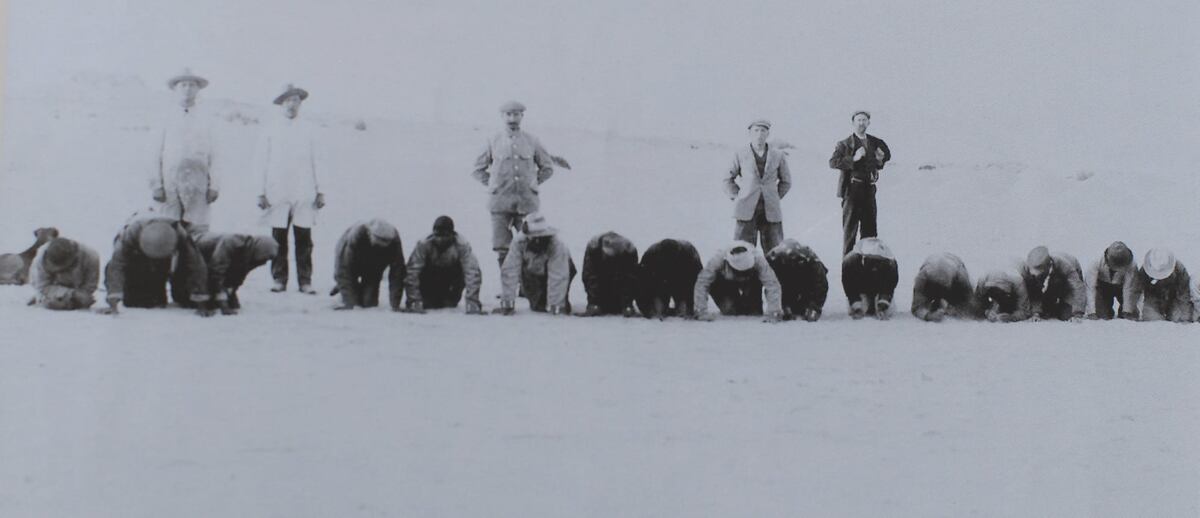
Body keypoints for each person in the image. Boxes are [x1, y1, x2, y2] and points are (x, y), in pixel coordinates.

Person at [255, 84, 325, 294]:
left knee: (304, 238)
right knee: (278, 237)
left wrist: (321, 190)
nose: (292, 104)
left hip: (304, 191)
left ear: (300, 104)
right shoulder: (270, 130)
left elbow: (319, 161)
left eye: (295, 100)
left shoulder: (310, 129)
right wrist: (260, 191)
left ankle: (305, 281)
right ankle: (279, 279)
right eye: (288, 100)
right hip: (278, 191)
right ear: (281, 103)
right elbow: (261, 163)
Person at [472, 101, 555, 269]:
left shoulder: (532, 140)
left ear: (522, 116)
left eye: (516, 114)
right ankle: (506, 288)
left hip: (527, 203)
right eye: (508, 114)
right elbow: (477, 170)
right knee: (502, 246)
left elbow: (547, 168)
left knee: (530, 243)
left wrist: (533, 183)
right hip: (499, 203)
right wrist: (493, 185)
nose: (512, 118)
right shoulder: (492, 140)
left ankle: (525, 287)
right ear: (502, 117)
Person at [100, 217, 210, 316]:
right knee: (135, 302)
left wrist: (201, 300)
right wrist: (113, 302)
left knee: (161, 300)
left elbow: (196, 264)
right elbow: (116, 266)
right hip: (136, 258)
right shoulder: (129, 235)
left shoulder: (179, 233)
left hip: (164, 256)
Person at [152, 69, 218, 233]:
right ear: (176, 89)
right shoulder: (164, 117)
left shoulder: (207, 118)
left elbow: (216, 155)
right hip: (170, 184)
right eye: (183, 85)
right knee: (168, 231)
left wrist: (214, 186)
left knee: (197, 231)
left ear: (198, 89)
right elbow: (153, 153)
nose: (187, 89)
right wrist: (156, 185)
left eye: (192, 85)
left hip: (198, 184)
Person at [829, 111, 891, 255]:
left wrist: (880, 159)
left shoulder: (876, 142)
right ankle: (847, 269)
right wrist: (854, 158)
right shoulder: (844, 144)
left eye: (864, 120)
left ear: (868, 123)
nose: (862, 123)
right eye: (859, 120)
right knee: (850, 231)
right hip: (851, 191)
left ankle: (868, 266)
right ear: (853, 123)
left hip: (869, 190)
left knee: (870, 232)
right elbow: (833, 162)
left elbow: (886, 155)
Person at [725, 119, 791, 253]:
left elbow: (786, 182)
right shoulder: (740, 154)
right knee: (741, 253)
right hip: (745, 211)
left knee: (776, 253)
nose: (759, 134)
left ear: (768, 134)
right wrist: (738, 197)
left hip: (771, 212)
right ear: (750, 133)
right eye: (756, 131)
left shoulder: (778, 155)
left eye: (763, 131)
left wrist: (774, 197)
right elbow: (727, 180)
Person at [171, 233, 278, 315]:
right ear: (258, 250)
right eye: (264, 258)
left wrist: (230, 296)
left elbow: (237, 275)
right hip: (190, 261)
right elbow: (216, 270)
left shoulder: (248, 252)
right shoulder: (231, 242)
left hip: (206, 266)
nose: (264, 263)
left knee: (223, 303)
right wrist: (223, 303)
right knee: (199, 300)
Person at [494, 212, 576, 315]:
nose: (537, 240)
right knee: (538, 307)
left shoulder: (557, 245)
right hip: (533, 272)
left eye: (541, 236)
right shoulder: (519, 242)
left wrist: (556, 306)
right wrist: (507, 303)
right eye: (534, 236)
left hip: (560, 270)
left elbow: (558, 275)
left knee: (558, 306)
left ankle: (559, 302)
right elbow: (510, 271)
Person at [403, 215, 484, 314]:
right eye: (437, 235)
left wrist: (472, 301)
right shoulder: (423, 244)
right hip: (429, 278)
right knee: (428, 304)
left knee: (448, 304)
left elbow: (472, 272)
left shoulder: (462, 246)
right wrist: (414, 300)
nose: (440, 239)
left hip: (451, 279)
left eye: (444, 236)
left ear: (452, 234)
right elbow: (412, 272)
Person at [691, 241, 784, 322]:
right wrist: (700, 311)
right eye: (739, 272)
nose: (742, 275)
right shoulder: (717, 260)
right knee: (730, 310)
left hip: (751, 282)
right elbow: (703, 283)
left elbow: (771, 283)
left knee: (754, 312)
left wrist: (774, 311)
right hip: (724, 283)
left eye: (746, 271)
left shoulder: (758, 259)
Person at [331, 219, 406, 310]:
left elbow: (397, 272)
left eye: (386, 242)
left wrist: (395, 304)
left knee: (369, 303)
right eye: (380, 240)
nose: (383, 244)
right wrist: (350, 302)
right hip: (353, 260)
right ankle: (342, 288)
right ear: (370, 234)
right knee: (353, 304)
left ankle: (352, 291)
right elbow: (343, 271)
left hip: (375, 267)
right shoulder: (355, 236)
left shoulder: (394, 240)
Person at [635, 238, 703, 319]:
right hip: (660, 281)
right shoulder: (651, 254)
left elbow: (698, 282)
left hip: (682, 280)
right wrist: (647, 310)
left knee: (683, 312)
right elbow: (642, 284)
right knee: (658, 311)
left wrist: (692, 306)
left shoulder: (689, 253)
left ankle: (681, 305)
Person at [765, 239, 828, 322]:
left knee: (805, 310)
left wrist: (815, 308)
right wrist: (776, 307)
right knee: (788, 311)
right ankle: (787, 304)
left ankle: (804, 304)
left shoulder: (811, 259)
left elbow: (821, 285)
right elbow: (770, 285)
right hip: (784, 280)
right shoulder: (771, 259)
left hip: (805, 279)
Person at [29, 237, 100, 310]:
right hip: (52, 286)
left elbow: (90, 286)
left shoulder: (91, 257)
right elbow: (42, 286)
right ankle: (41, 298)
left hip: (78, 287)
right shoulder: (41, 258)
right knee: (51, 303)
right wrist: (71, 293)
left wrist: (83, 297)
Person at [1019, 246, 1087, 321]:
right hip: (1054, 280)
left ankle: (1063, 304)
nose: (1036, 275)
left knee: (1066, 316)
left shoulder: (1065, 265)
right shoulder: (1036, 270)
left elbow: (1077, 288)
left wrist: (1077, 314)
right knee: (1046, 311)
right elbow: (1035, 292)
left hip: (1070, 280)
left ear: (1047, 267)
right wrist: (1036, 313)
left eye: (1040, 273)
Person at [581, 231, 639, 317]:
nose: (608, 257)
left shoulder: (629, 251)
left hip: (619, 279)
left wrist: (627, 305)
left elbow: (630, 278)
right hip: (601, 279)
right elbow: (589, 276)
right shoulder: (593, 248)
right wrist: (593, 303)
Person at [841, 237, 898, 320]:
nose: (875, 265)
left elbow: (889, 287)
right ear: (863, 258)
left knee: (888, 312)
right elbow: (850, 289)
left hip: (879, 288)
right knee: (857, 310)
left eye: (878, 261)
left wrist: (882, 306)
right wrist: (857, 306)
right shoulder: (849, 263)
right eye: (872, 260)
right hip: (860, 289)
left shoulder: (890, 264)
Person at [1136, 248, 1197, 322]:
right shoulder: (1144, 270)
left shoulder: (1179, 269)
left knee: (1179, 320)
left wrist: (1186, 318)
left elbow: (1184, 296)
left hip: (1174, 298)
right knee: (1152, 321)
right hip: (1152, 299)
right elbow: (1137, 292)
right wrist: (1135, 311)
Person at [911, 252, 975, 322]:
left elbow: (970, 303)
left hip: (955, 267)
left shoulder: (961, 276)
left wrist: (955, 310)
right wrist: (928, 316)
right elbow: (916, 307)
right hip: (936, 274)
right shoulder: (922, 278)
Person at [1085, 241, 1140, 320]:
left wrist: (1127, 311)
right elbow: (1090, 287)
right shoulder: (1095, 261)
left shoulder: (1132, 265)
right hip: (1103, 287)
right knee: (1102, 316)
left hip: (1122, 287)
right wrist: (1091, 312)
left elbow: (1129, 288)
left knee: (1132, 315)